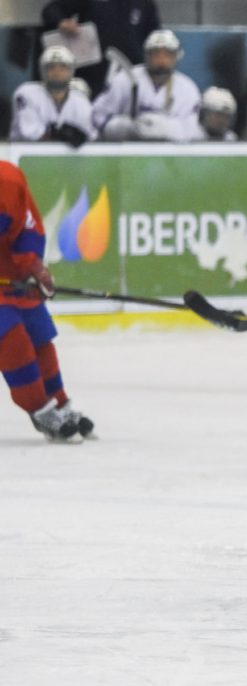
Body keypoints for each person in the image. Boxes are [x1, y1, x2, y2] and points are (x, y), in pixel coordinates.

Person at [0, 161, 94, 442]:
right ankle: (39, 408)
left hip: (12, 277)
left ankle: (59, 400)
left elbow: (29, 230)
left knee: (40, 338)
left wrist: (33, 267)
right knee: (11, 340)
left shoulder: (9, 180)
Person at [92, 29, 200, 142]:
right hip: (127, 151)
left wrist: (165, 128)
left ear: (176, 57)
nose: (162, 60)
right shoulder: (124, 79)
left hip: (170, 154)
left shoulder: (188, 88)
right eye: (156, 54)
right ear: (146, 56)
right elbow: (98, 115)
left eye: (167, 55)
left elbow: (191, 130)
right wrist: (119, 128)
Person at [41, 0, 161, 99]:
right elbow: (51, 10)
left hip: (129, 75)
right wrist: (61, 22)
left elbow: (154, 39)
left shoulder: (146, 4)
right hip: (93, 74)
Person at [11, 45, 95, 148]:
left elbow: (91, 137)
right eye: (51, 67)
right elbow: (30, 133)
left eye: (63, 67)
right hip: (25, 157)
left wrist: (82, 138)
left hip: (67, 160)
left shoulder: (80, 100)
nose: (57, 72)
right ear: (42, 71)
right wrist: (59, 134)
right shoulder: (27, 93)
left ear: (71, 71)